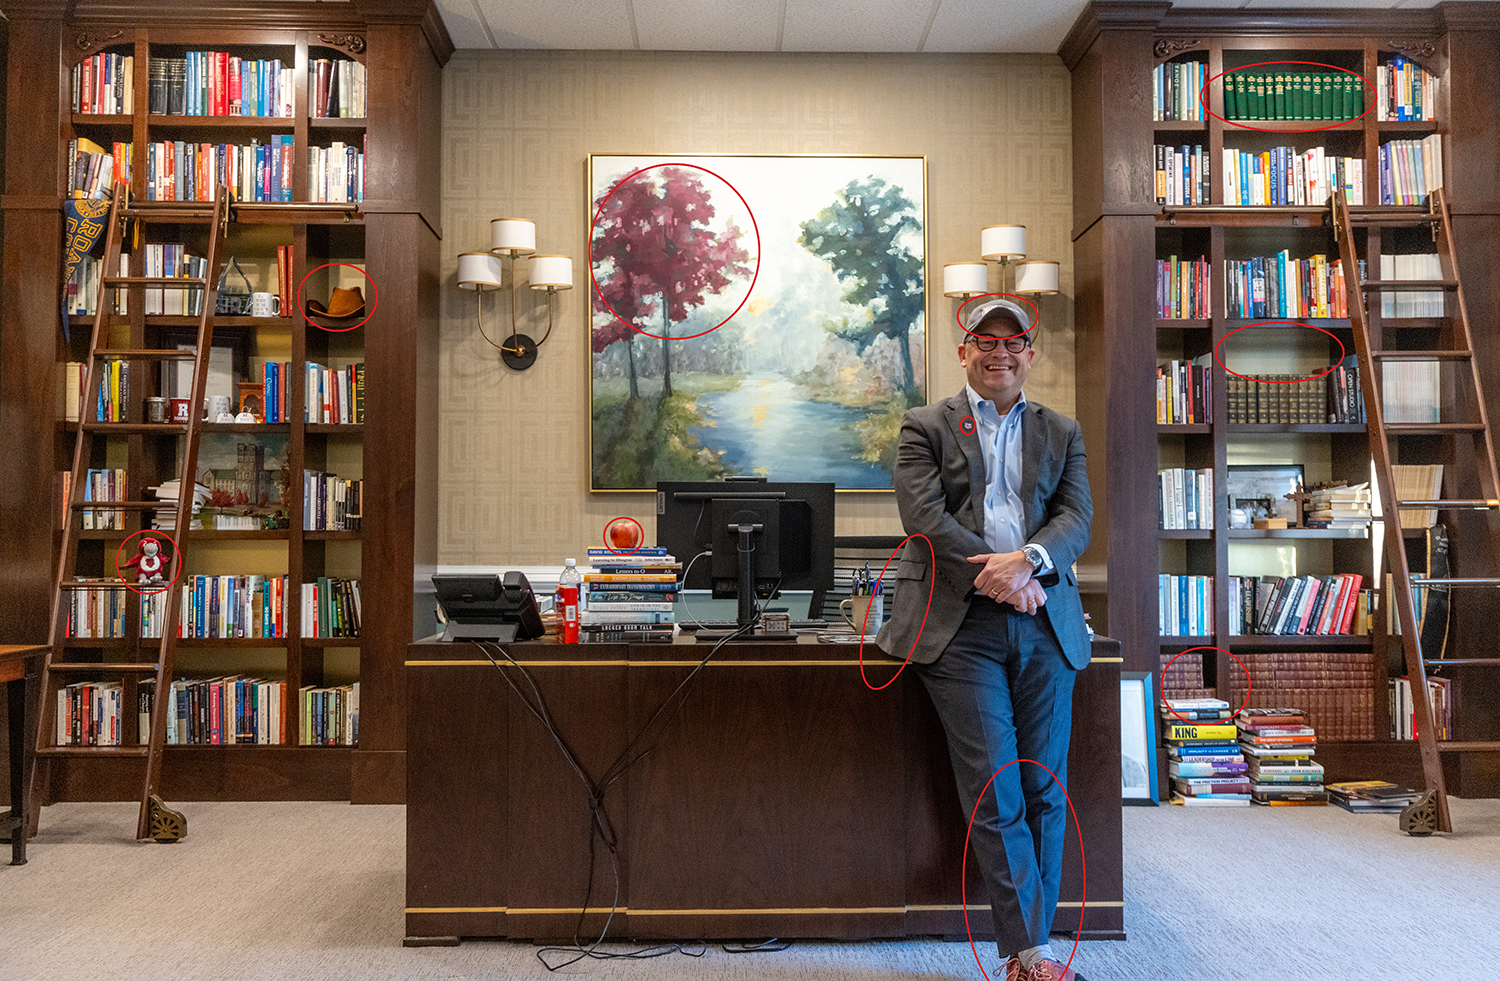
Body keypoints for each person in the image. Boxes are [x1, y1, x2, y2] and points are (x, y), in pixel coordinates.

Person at [876, 298, 1093, 981]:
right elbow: (926, 516)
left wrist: (1028, 563)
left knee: (1043, 787)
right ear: (964, 349)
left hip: (1044, 619)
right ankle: (1032, 956)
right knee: (997, 788)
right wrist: (1001, 576)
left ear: (1031, 352)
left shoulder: (1061, 429)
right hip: (958, 626)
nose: (1000, 352)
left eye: (1014, 341)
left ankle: (1034, 949)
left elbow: (1077, 517)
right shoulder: (923, 426)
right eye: (985, 340)